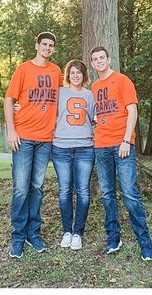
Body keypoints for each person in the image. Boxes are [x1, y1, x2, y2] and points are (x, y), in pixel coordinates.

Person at [90, 46, 152, 261]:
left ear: (109, 59)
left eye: (102, 57)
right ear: (92, 64)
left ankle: (144, 242)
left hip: (122, 145)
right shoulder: (94, 87)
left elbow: (132, 110)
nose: (99, 61)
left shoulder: (122, 80)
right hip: (101, 146)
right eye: (95, 59)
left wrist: (127, 139)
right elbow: (94, 114)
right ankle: (113, 237)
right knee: (107, 193)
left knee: (129, 193)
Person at [4, 31, 61, 258]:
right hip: (24, 137)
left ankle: (33, 234)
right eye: (44, 44)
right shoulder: (23, 69)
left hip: (46, 139)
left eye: (51, 45)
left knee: (36, 188)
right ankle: (18, 236)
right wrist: (11, 130)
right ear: (37, 45)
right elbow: (10, 99)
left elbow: (64, 97)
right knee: (20, 188)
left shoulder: (56, 71)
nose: (47, 48)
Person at [51, 59, 96, 251]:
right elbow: (44, 112)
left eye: (79, 72)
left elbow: (95, 120)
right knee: (64, 190)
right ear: (67, 75)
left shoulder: (90, 95)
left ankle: (78, 232)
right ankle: (66, 232)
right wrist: (17, 108)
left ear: (84, 74)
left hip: (85, 148)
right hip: (60, 147)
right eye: (72, 72)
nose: (75, 76)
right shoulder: (59, 93)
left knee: (83, 191)